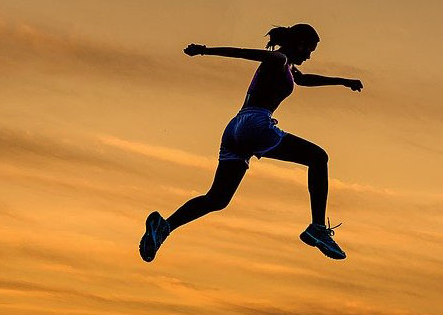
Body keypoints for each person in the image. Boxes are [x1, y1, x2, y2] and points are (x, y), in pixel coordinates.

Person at [139, 23, 363, 263]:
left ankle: (165, 227)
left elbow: (304, 80)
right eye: (310, 50)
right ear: (300, 44)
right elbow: (244, 53)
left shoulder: (288, 66)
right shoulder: (278, 58)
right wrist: (205, 50)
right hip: (255, 124)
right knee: (318, 157)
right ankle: (317, 227)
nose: (309, 56)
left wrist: (343, 81)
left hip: (235, 128)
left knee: (217, 199)